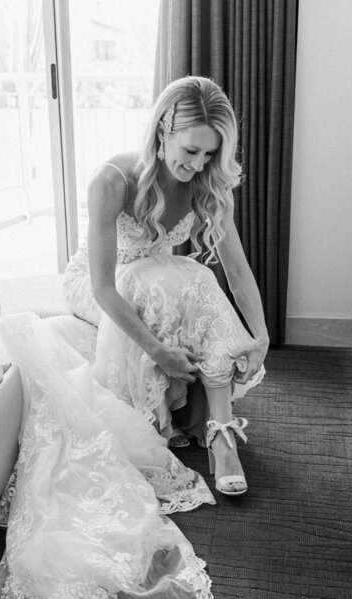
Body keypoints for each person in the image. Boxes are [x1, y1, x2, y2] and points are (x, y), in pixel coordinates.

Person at [63, 75, 269, 498]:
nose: (198, 164)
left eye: (210, 154)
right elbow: (103, 287)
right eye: (190, 150)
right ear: (162, 131)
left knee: (198, 276)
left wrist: (261, 335)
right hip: (101, 281)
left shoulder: (205, 183)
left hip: (156, 272)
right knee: (164, 280)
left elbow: (238, 269)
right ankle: (204, 427)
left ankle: (220, 434)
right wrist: (158, 351)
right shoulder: (112, 181)